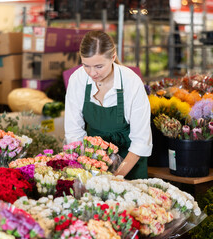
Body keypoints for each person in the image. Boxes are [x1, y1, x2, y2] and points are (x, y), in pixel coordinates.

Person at [65, 30, 152, 180]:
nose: (92, 73)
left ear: (113, 57)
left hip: (129, 160)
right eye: (86, 65)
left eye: (99, 66)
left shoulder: (131, 83)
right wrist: (87, 167)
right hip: (92, 158)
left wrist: (115, 178)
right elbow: (74, 133)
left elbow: (140, 141)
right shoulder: (77, 79)